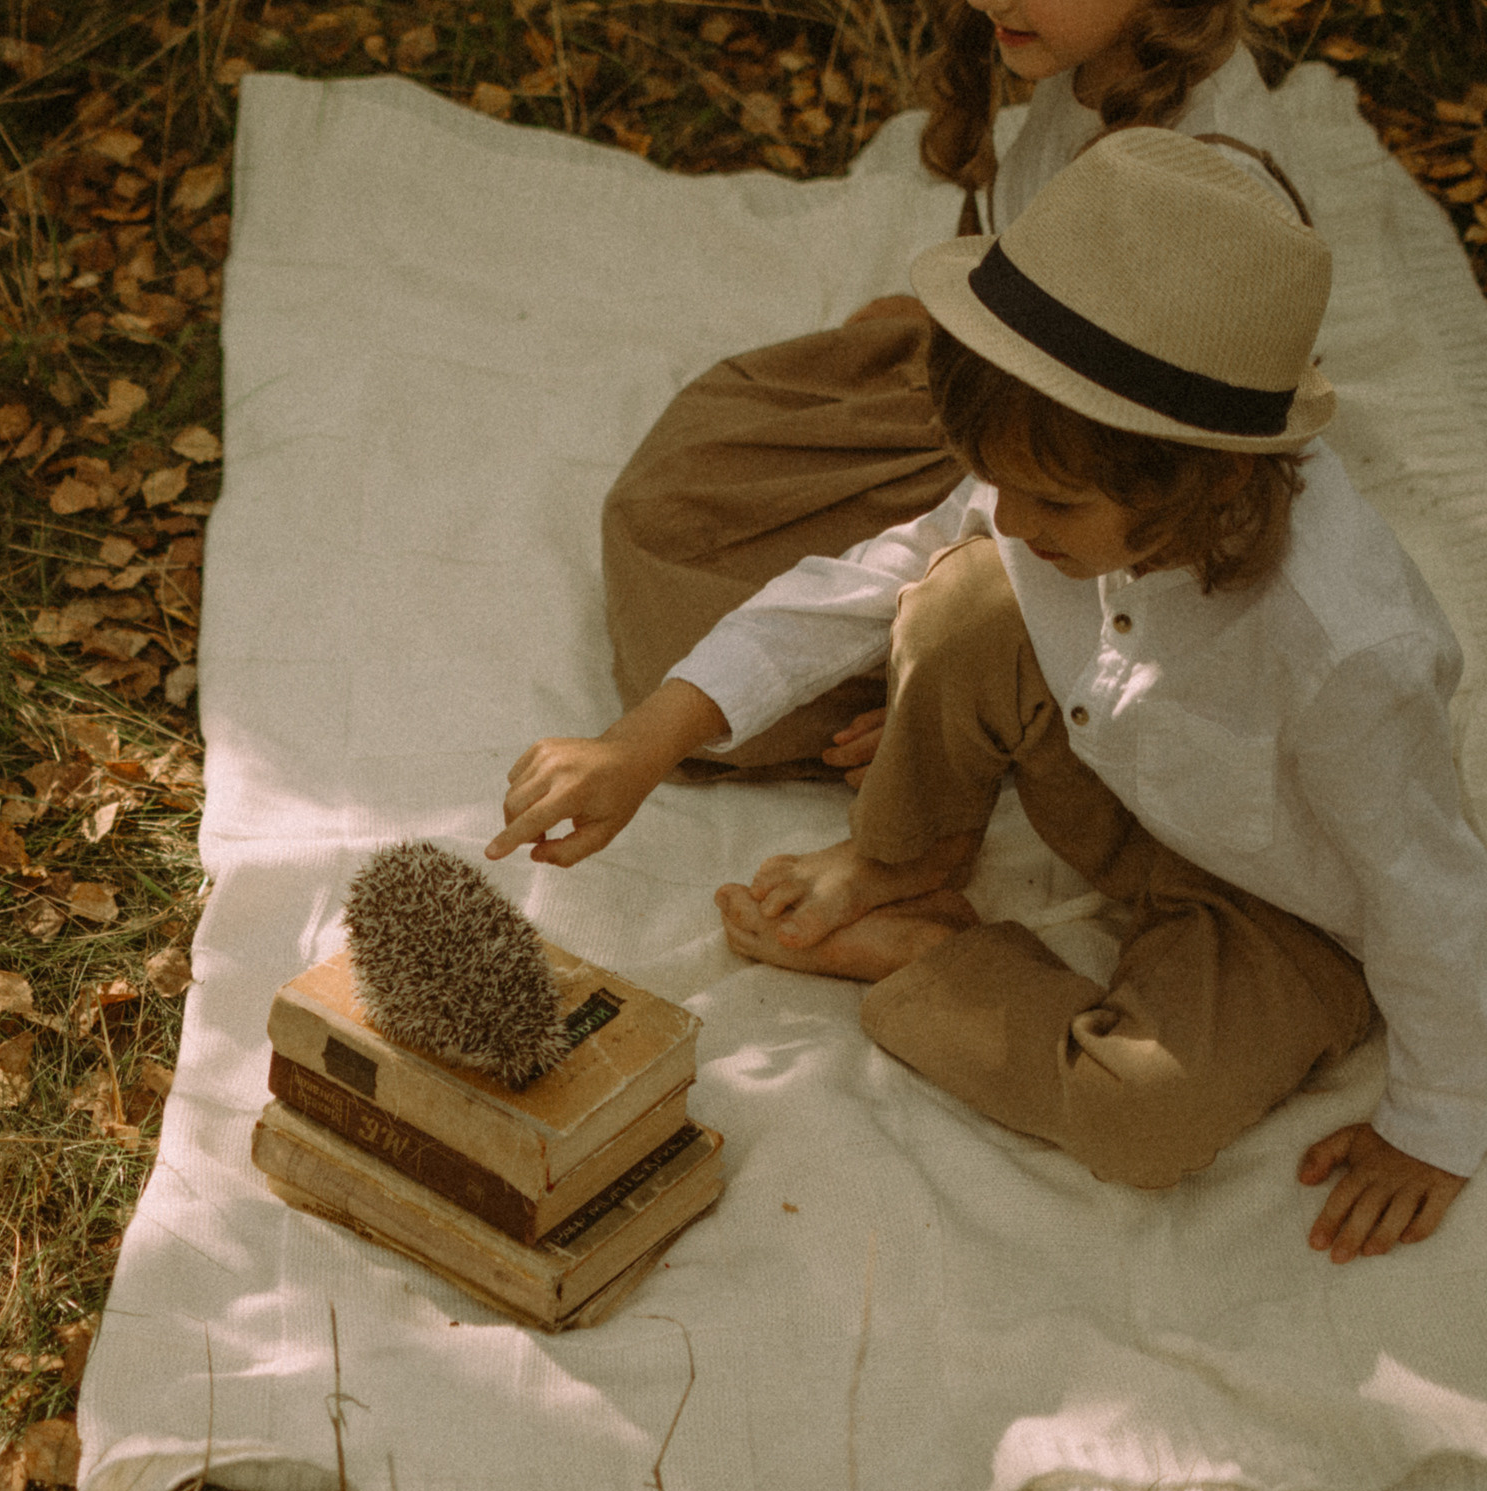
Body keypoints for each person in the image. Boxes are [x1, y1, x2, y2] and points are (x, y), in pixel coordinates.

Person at [489, 130, 1487, 1263]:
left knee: (1141, 1115)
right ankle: (905, 854)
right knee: (957, 596)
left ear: (1203, 481)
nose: (1012, 519)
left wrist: (1438, 1124)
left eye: (1051, 506)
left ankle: (930, 962)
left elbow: (1431, 892)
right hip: (1114, 781)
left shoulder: (1349, 650)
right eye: (1000, 484)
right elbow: (872, 579)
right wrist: (646, 739)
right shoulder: (1062, 470)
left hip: (1282, 916)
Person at [602, 0, 1284, 782]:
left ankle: (999, 704)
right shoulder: (1085, 58)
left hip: (1058, 468)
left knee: (677, 564)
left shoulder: (1210, 185)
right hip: (1010, 396)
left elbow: (1152, 489)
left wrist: (953, 688)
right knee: (694, 462)